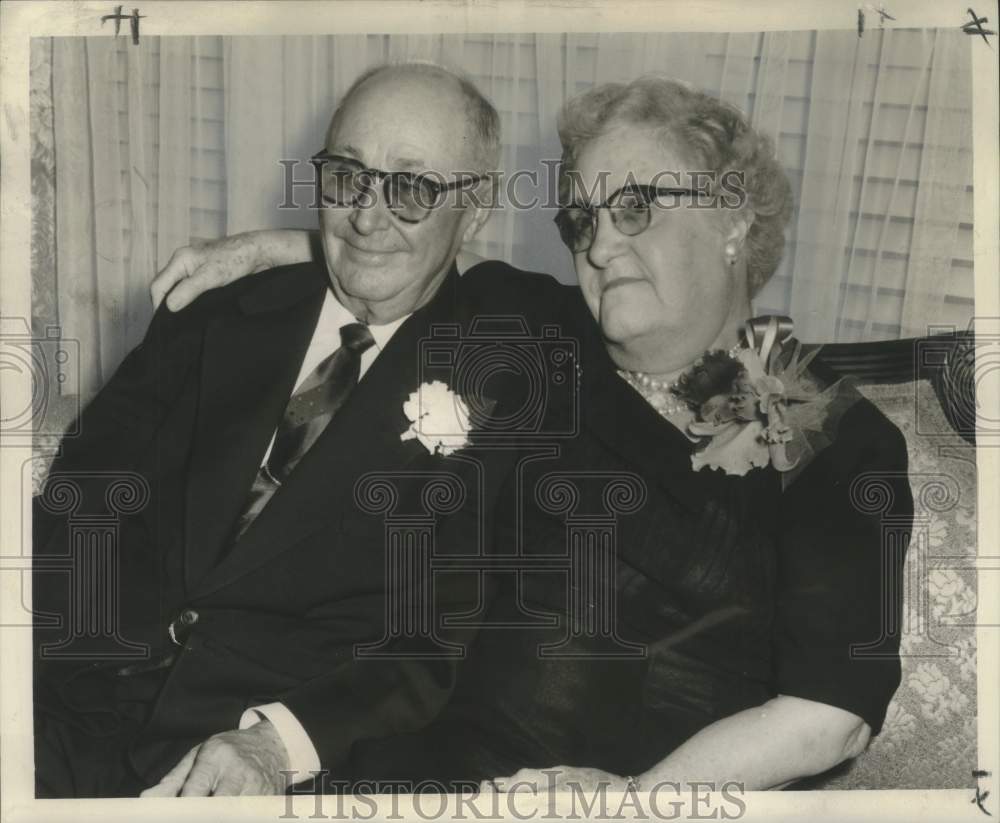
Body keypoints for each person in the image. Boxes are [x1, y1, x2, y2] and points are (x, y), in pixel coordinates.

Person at [151, 76, 913, 791]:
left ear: (734, 217)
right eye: (581, 220)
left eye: (635, 207)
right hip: (402, 774)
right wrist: (262, 250)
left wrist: (634, 800)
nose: (600, 246)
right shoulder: (543, 336)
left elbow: (830, 715)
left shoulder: (837, 439)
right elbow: (408, 251)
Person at [32, 62, 570, 798]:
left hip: (241, 759)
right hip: (56, 701)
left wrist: (273, 746)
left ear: (475, 212)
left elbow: (431, 643)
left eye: (411, 188)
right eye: (346, 176)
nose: (366, 217)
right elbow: (81, 491)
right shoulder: (217, 309)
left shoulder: (503, 377)